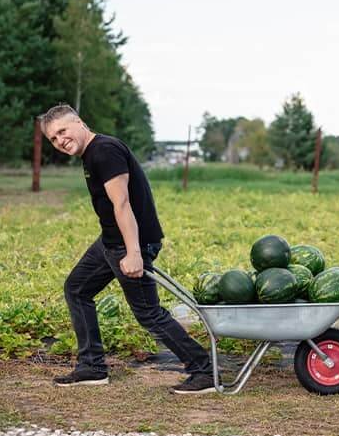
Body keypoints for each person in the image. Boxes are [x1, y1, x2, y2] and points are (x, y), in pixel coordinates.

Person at [39, 104, 214, 393]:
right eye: (53, 139)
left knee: (148, 313)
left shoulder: (104, 151)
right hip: (111, 242)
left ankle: (204, 370)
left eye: (62, 131)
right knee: (77, 289)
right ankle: (92, 368)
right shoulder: (91, 153)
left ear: (79, 123)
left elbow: (122, 203)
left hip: (130, 243)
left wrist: (134, 253)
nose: (59, 141)